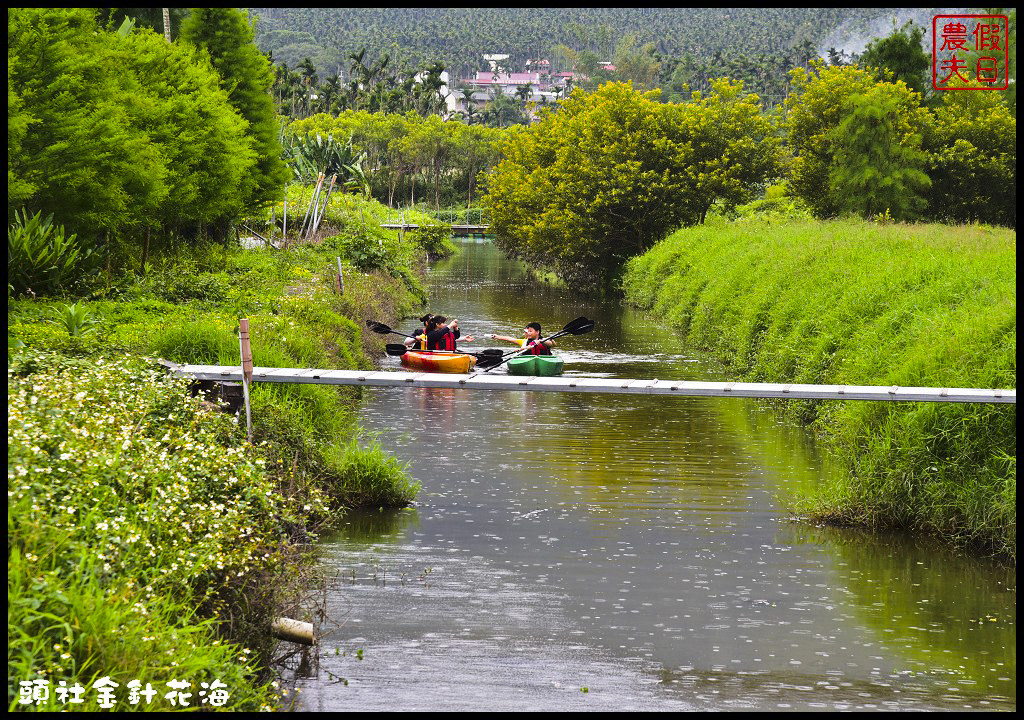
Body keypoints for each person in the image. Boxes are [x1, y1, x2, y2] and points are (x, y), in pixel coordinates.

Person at [489, 321, 554, 355]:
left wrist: (544, 341)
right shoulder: (525, 341)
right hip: (527, 358)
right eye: (527, 331)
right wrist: (497, 337)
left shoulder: (544, 340)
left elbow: (552, 344)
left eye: (530, 331)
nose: (528, 333)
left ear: (537, 332)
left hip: (544, 358)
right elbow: (510, 339)